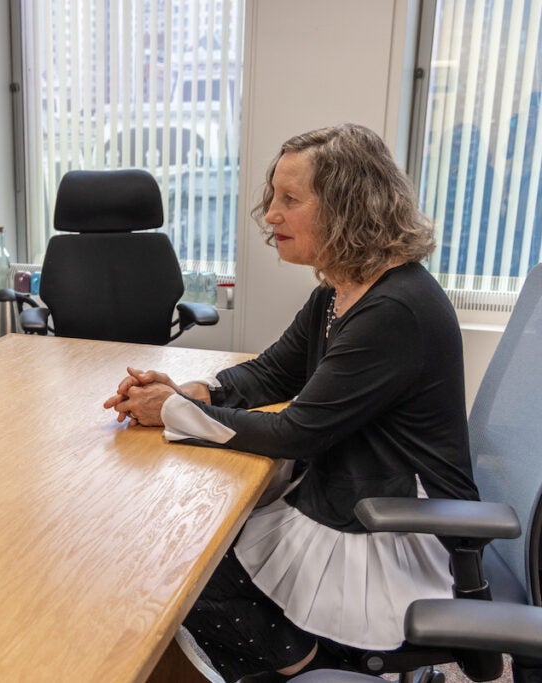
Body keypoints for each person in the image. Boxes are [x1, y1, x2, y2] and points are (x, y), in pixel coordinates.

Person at [103, 124, 478, 681]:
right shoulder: (340, 291)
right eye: (273, 196)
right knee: (198, 556)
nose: (270, 214)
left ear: (348, 207)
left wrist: (173, 412)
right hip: (354, 491)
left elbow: (296, 433)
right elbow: (273, 371)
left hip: (397, 528)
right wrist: (188, 393)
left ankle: (313, 667)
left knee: (188, 574)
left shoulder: (393, 310)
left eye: (290, 199)